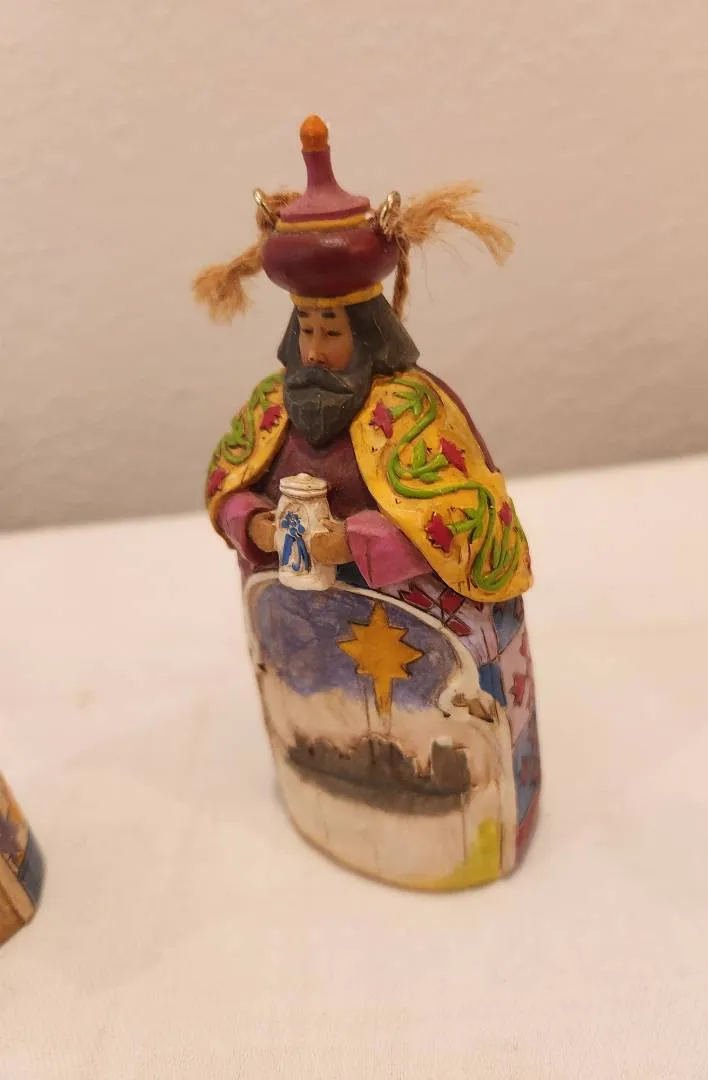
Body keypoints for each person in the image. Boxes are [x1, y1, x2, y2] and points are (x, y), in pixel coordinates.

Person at [195, 116, 540, 890]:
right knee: (331, 726)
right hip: (302, 630)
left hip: (410, 625)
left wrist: (360, 544)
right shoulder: (272, 404)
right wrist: (248, 522)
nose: (317, 348)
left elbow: (467, 524)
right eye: (307, 327)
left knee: (422, 737)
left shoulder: (412, 411)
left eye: (333, 328)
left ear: (370, 327)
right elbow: (226, 485)